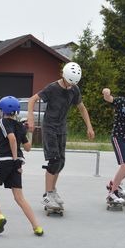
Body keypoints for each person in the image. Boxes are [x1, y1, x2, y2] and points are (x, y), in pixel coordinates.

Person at [26, 62, 95, 209]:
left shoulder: (74, 89)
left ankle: (52, 191)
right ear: (63, 76)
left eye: (73, 84)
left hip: (61, 128)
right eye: (69, 83)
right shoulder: (52, 88)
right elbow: (32, 99)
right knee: (54, 160)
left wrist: (89, 126)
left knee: (61, 162)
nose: (70, 86)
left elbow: (81, 108)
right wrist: (31, 117)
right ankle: (47, 195)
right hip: (49, 127)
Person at [0, 96, 43, 236]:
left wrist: (13, 157)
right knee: (19, 198)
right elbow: (28, 147)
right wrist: (29, 132)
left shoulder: (2, 122)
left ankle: (0, 216)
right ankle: (37, 227)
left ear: (2, 111)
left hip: (5, 160)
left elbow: (11, 138)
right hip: (17, 163)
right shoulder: (20, 126)